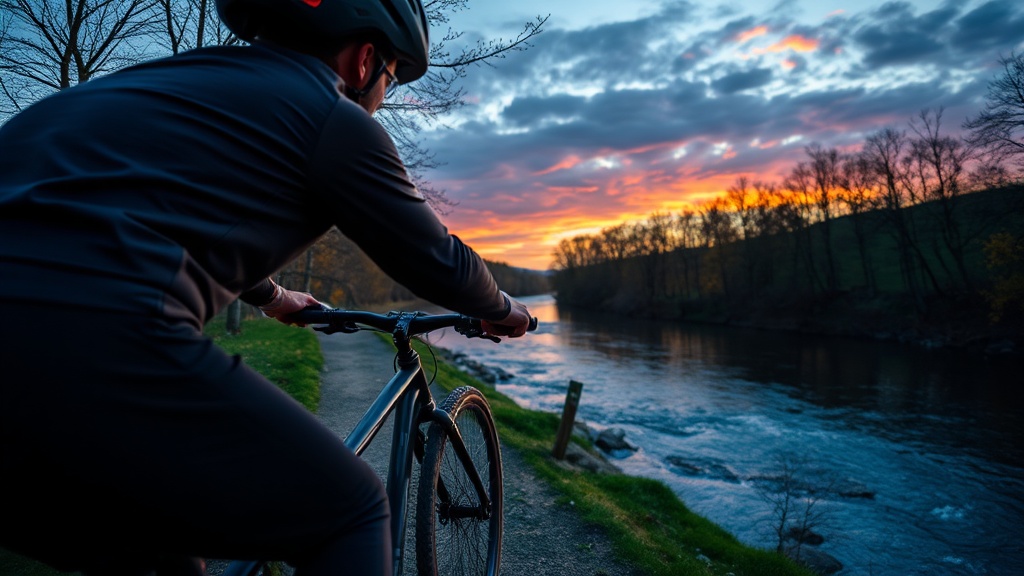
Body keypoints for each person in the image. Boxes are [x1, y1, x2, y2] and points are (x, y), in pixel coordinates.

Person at [0, 0, 533, 573]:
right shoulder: (330, 115)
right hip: (94, 332)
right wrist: (504, 308)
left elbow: (157, 206)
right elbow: (434, 256)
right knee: (350, 511)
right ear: (365, 59)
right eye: (393, 77)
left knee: (165, 553)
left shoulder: (169, 82)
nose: (385, 94)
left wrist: (274, 298)